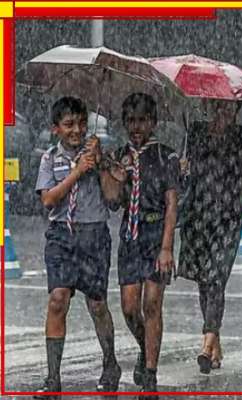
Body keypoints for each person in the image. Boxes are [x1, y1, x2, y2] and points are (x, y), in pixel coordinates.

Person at [34, 97, 122, 398]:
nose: (76, 130)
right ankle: (52, 377)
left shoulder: (99, 155)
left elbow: (113, 200)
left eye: (81, 124)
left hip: (94, 235)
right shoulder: (49, 158)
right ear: (55, 128)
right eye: (69, 125)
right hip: (62, 235)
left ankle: (110, 362)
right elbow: (48, 200)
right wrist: (76, 171)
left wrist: (99, 166)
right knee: (58, 299)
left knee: (97, 305)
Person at [177, 99, 242, 374]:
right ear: (208, 106)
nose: (223, 113)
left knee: (216, 278)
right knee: (205, 282)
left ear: (237, 111)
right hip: (197, 217)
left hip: (228, 219)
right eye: (218, 107)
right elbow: (185, 176)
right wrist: (182, 169)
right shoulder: (195, 133)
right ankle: (215, 340)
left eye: (229, 108)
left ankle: (206, 344)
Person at [107, 93, 179, 398]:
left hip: (155, 234)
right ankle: (144, 346)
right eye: (131, 121)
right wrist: (116, 177)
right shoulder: (119, 155)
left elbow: (172, 205)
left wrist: (166, 248)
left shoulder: (166, 156)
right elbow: (112, 202)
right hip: (130, 236)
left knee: (152, 303)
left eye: (143, 120)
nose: (136, 127)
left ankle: (150, 375)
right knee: (129, 308)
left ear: (153, 123)